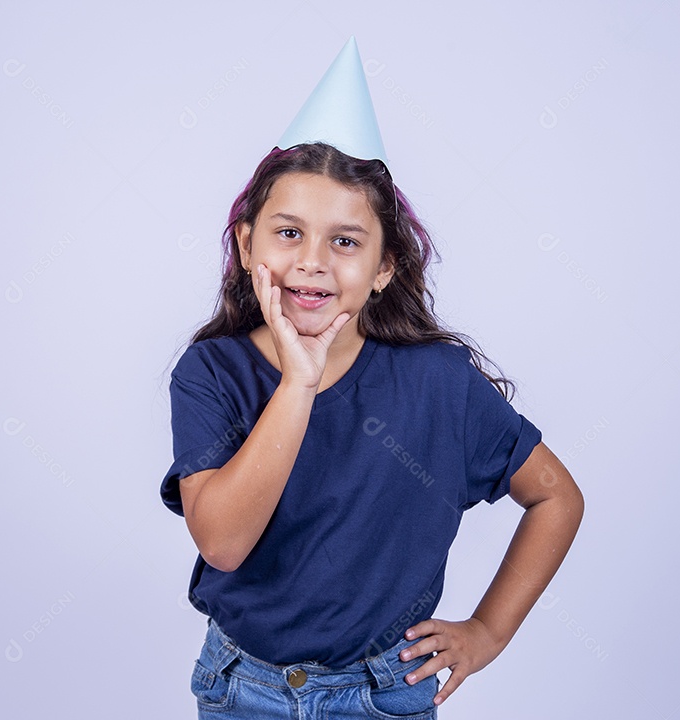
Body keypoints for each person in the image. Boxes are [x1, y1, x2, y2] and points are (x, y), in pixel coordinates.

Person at [160, 37, 583, 719]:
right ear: (247, 245)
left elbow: (557, 497)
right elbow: (225, 541)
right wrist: (298, 383)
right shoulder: (213, 373)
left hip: (384, 697)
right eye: (288, 233)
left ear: (385, 266)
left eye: (346, 241)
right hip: (245, 691)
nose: (314, 261)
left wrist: (487, 633)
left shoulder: (437, 382)